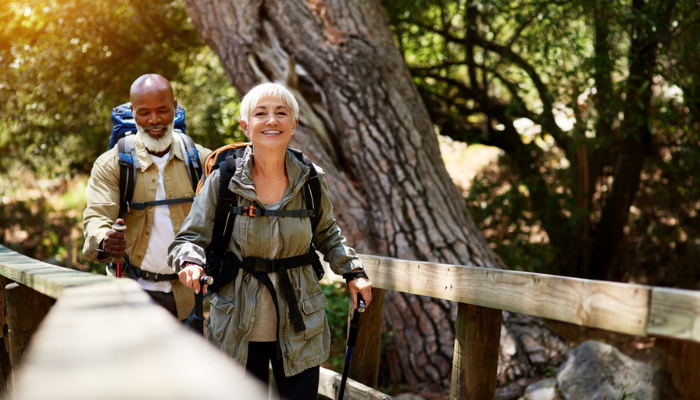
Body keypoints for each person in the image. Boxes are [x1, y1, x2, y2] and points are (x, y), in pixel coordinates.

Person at [168, 82, 373, 399]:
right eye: (260, 113)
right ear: (245, 125)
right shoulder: (224, 179)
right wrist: (190, 260)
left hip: (300, 320)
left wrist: (354, 272)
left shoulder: (310, 178)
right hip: (238, 323)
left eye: (281, 113)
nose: (272, 120)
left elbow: (327, 232)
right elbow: (190, 237)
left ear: (293, 124)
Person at [82, 74, 212, 321]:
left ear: (175, 107)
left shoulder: (200, 160)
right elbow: (97, 218)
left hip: (190, 296)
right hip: (132, 294)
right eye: (144, 113)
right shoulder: (112, 164)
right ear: (132, 112)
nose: (154, 120)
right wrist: (104, 240)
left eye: (163, 110)